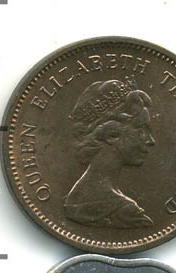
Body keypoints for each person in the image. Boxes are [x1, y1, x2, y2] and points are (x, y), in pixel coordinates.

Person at [64, 77, 156, 228]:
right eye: (141, 129)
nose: (150, 140)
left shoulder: (74, 198)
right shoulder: (127, 213)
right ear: (111, 135)